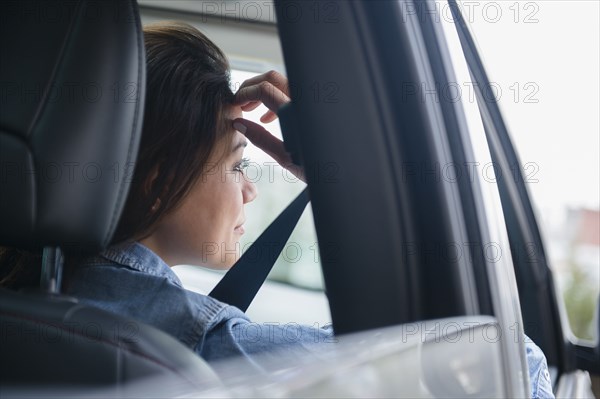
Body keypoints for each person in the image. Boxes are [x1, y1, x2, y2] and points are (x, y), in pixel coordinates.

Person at [0, 21, 553, 397]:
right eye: (238, 163)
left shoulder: (21, 301)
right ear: (157, 178)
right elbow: (509, 360)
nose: (250, 192)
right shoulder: (206, 347)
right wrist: (341, 175)